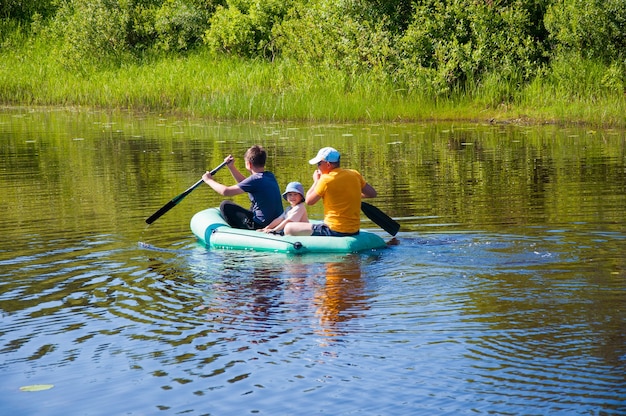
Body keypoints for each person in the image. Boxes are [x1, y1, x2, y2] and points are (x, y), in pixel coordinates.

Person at [284, 147, 377, 236]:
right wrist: (350, 194)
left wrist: (316, 181)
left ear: (328, 164)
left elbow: (309, 201)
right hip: (354, 230)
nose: (317, 167)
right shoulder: (354, 174)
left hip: (334, 230)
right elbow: (372, 193)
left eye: (319, 164)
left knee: (288, 227)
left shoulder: (325, 180)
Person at [202, 145, 283, 230]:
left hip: (260, 225)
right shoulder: (270, 176)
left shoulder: (254, 180)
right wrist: (231, 167)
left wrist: (208, 180)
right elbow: (246, 183)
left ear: (249, 164)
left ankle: (241, 233)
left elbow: (226, 191)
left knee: (225, 205)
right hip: (276, 223)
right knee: (253, 206)